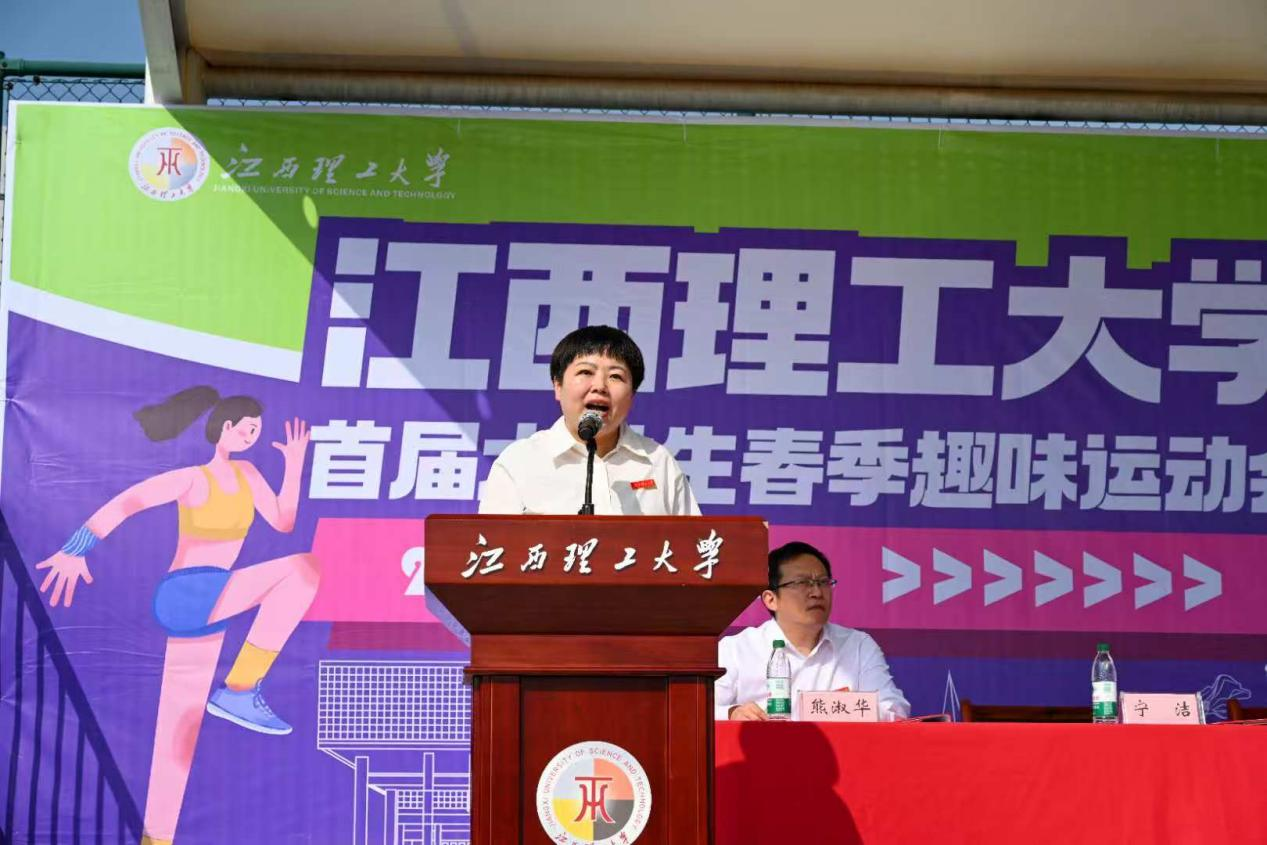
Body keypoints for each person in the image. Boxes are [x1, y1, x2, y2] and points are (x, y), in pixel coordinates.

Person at [35, 386, 321, 845]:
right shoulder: (193, 478)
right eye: (247, 428)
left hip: (214, 601)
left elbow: (283, 521)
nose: (252, 436)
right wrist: (76, 549)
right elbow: (129, 501)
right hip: (187, 592)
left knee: (180, 732)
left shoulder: (249, 475)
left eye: (257, 431)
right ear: (225, 428)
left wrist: (294, 465)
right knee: (302, 570)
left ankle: (156, 839)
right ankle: (240, 689)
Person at [479, 325, 701, 516]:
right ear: (558, 386)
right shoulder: (520, 461)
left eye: (615, 376)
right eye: (586, 372)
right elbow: (493, 546)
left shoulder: (658, 462)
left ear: (632, 394)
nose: (600, 386)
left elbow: (693, 544)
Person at [716, 540, 910, 721]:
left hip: (839, 747)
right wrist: (733, 713)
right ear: (771, 599)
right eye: (802, 583)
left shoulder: (858, 646)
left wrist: (838, 708)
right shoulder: (736, 649)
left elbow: (894, 710)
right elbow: (703, 709)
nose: (817, 593)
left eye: (823, 582)